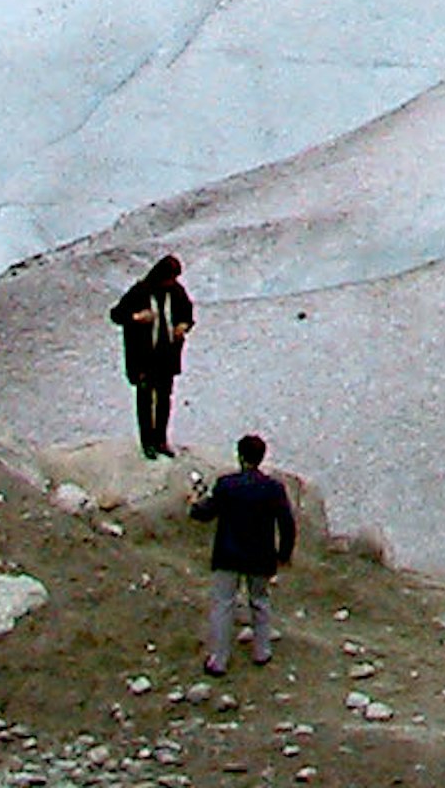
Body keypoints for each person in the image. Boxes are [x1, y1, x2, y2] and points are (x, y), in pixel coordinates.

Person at [190, 432, 298, 674]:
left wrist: (194, 503)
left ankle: (218, 660)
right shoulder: (274, 488)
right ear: (262, 458)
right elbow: (287, 523)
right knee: (260, 602)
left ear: (240, 456)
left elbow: (205, 513)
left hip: (228, 554)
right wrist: (284, 553)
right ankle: (262, 651)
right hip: (260, 556)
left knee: (223, 605)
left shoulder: (226, 484)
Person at [109, 254, 193, 459]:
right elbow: (116, 314)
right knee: (145, 399)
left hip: (167, 355)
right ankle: (147, 443)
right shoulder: (140, 292)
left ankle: (161, 440)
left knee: (164, 399)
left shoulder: (176, 292)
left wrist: (183, 326)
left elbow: (187, 315)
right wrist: (136, 317)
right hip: (144, 357)